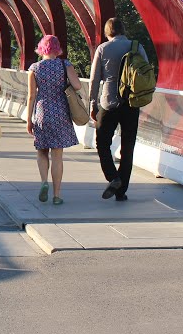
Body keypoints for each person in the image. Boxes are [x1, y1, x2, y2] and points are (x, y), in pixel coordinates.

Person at [89, 17, 149, 201]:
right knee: (127, 147)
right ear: (124, 30)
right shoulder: (136, 47)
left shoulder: (103, 49)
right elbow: (145, 73)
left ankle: (113, 177)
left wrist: (92, 102)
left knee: (102, 143)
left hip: (109, 102)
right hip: (131, 103)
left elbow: (94, 79)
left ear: (108, 32)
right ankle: (121, 191)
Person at [26, 35, 81, 204]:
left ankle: (44, 182)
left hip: (42, 112)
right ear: (58, 48)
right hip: (61, 112)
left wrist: (29, 119)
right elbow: (77, 85)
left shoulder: (34, 68)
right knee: (57, 155)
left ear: (41, 48)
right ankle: (57, 196)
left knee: (42, 151)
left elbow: (31, 96)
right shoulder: (65, 65)